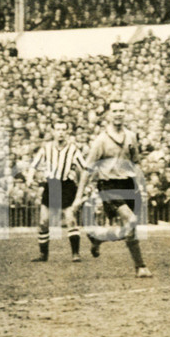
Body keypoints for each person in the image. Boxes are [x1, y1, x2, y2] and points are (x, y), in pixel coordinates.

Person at [71, 100, 153, 278]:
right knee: (130, 220)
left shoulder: (131, 136)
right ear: (108, 114)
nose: (119, 114)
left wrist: (142, 186)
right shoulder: (100, 140)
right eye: (115, 111)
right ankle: (140, 267)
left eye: (122, 110)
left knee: (129, 228)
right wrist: (78, 197)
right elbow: (87, 169)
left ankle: (99, 238)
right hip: (109, 186)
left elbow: (136, 162)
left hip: (128, 183)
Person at [26, 120, 86, 262]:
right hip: (51, 185)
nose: (60, 132)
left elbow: (85, 169)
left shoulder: (73, 149)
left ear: (67, 132)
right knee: (43, 221)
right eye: (58, 129)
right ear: (53, 131)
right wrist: (29, 177)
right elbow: (34, 165)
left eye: (63, 129)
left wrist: (86, 186)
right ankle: (43, 254)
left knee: (70, 219)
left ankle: (75, 254)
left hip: (66, 186)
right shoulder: (46, 148)